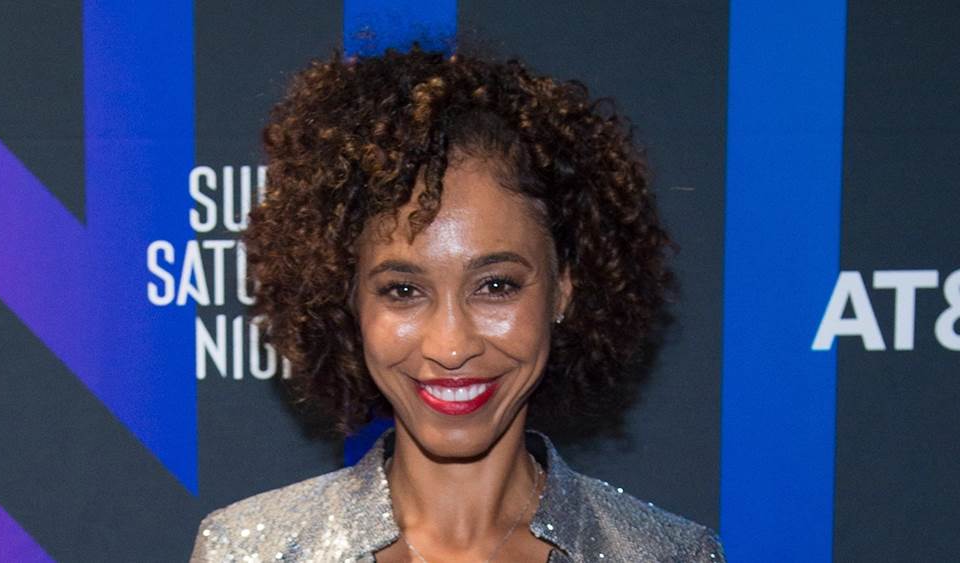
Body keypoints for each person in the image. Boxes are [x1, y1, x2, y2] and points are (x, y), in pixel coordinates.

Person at [189, 45, 726, 562]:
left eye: (496, 286)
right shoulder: (246, 553)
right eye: (403, 291)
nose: (450, 347)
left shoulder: (668, 556)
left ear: (564, 287)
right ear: (347, 298)